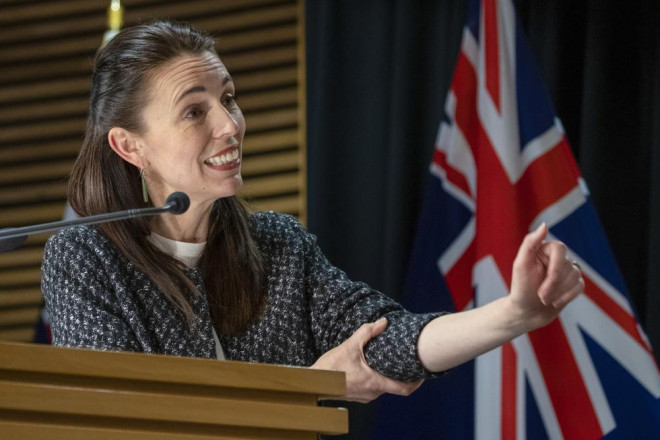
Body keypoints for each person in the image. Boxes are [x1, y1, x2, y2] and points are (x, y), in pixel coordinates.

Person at [41, 21, 583, 403]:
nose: (230, 125)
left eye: (228, 98)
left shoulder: (278, 244)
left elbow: (385, 340)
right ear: (130, 146)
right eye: (193, 111)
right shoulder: (85, 257)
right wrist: (308, 386)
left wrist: (512, 314)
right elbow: (121, 417)